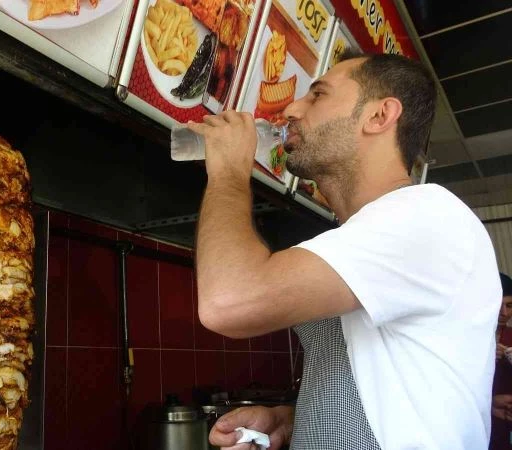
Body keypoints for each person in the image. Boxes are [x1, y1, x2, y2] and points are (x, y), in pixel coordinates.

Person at [190, 50, 501, 449]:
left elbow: (228, 301)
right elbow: (387, 387)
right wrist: (292, 422)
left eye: (318, 94)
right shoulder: (366, 235)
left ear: (380, 116)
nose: (292, 108)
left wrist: (229, 172)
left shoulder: (425, 216)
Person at [491, 273, 512, 449]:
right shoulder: (468, 340)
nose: (504, 313)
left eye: (510, 305)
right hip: (484, 420)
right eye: (498, 304)